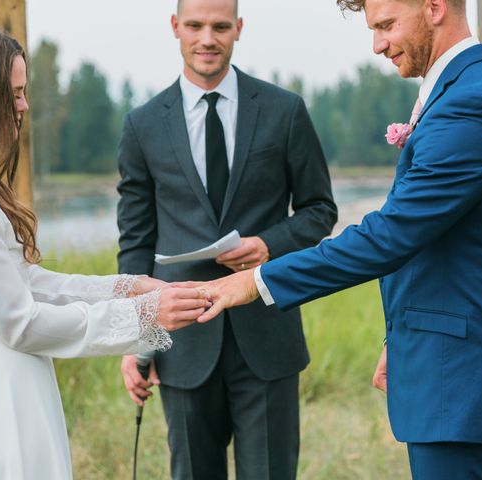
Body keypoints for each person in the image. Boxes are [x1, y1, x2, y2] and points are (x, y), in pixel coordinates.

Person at [197, 0, 482, 478]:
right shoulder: (459, 95)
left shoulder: (473, 105)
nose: (377, 45)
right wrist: (404, 333)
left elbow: (392, 233)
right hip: (446, 369)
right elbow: (442, 240)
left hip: (465, 383)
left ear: (435, 6)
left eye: (387, 26)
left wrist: (257, 281)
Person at [0, 21, 209, 479]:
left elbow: (25, 283)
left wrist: (127, 288)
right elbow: (21, 321)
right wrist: (145, 316)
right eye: (14, 93)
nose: (23, 105)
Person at [116, 0, 337, 477]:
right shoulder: (142, 125)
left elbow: (321, 211)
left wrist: (270, 243)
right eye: (194, 26)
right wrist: (137, 336)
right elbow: (135, 243)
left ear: (238, 28)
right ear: (175, 27)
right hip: (183, 342)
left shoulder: (285, 111)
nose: (207, 39)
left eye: (219, 27)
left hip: (267, 334)